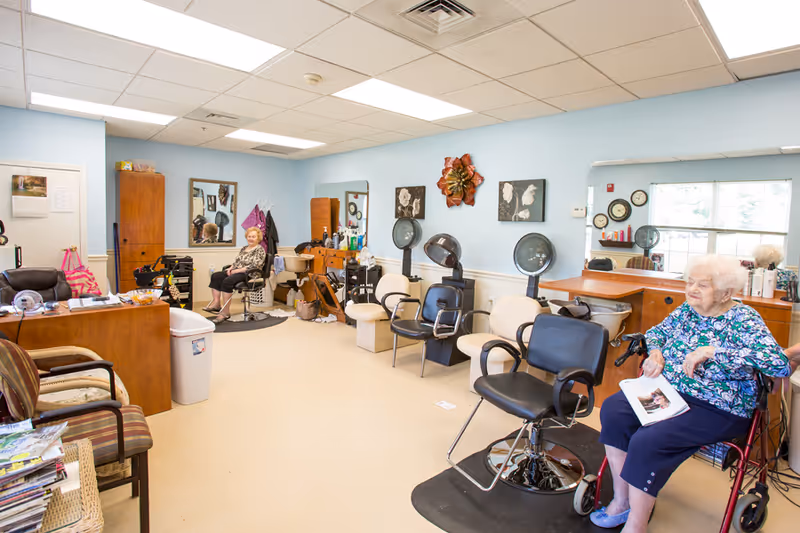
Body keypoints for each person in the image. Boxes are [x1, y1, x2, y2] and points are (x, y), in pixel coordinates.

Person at [591, 255, 800, 532]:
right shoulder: (687, 311)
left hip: (718, 407)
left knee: (648, 440)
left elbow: (778, 363)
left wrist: (713, 351)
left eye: (702, 285)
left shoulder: (743, 319)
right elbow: (656, 333)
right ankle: (622, 500)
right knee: (614, 410)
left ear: (726, 293)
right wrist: (656, 353)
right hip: (670, 392)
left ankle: (636, 524)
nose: (692, 290)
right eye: (690, 282)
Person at [204, 227, 265, 323]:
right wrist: (231, 268)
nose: (251, 238)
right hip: (237, 271)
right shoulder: (244, 248)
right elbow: (237, 261)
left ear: (258, 238)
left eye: (253, 237)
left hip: (250, 274)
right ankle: (216, 303)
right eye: (249, 236)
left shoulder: (259, 250)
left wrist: (236, 271)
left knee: (228, 281)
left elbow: (254, 265)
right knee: (216, 276)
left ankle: (225, 312)